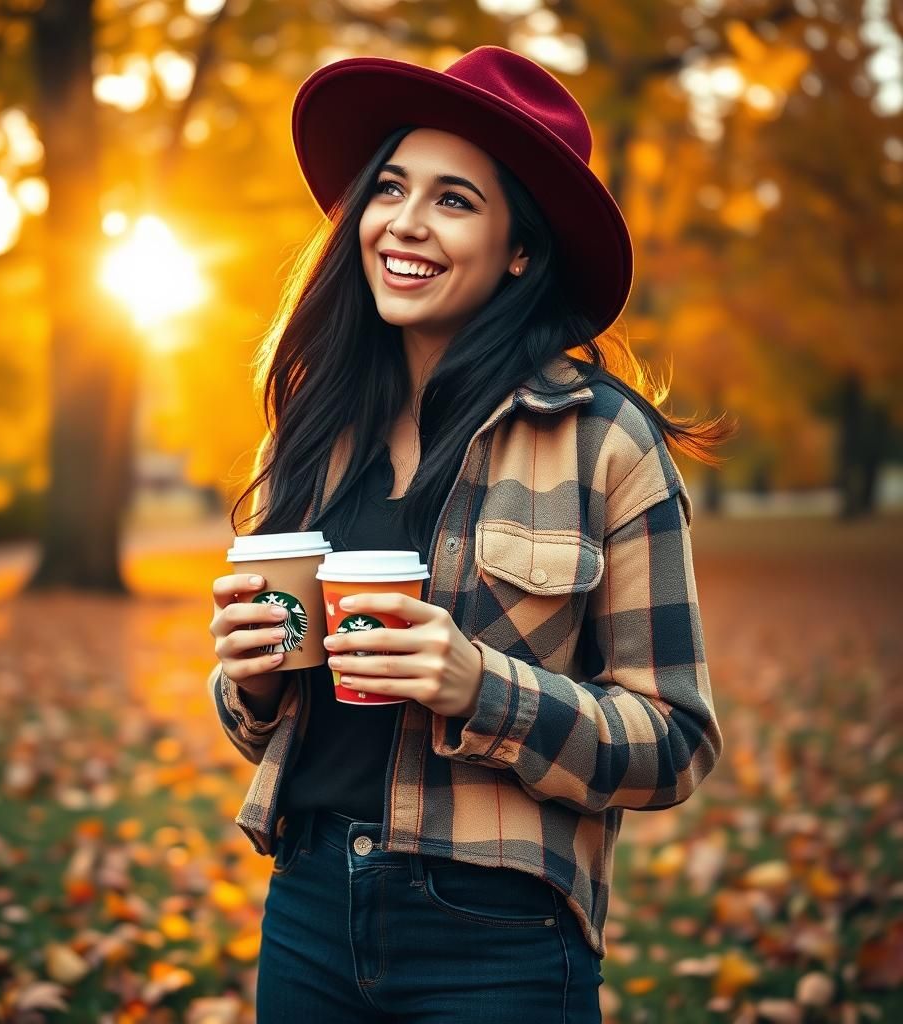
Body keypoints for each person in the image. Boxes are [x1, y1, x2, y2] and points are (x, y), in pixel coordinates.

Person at [207, 45, 731, 1024]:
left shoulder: (602, 442)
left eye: (454, 200)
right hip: (310, 907)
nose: (405, 222)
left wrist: (480, 687)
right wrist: (250, 678)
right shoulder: (315, 428)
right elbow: (257, 721)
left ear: (518, 249)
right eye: (391, 187)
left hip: (499, 939)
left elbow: (676, 741)